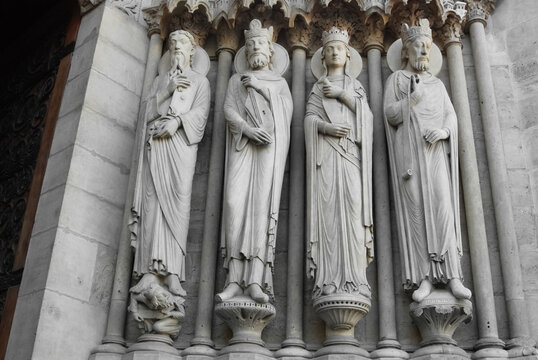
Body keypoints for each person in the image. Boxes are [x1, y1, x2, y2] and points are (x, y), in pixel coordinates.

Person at [383, 19, 471, 302]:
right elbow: (391, 115)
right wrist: (412, 98)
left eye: (427, 46)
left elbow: (451, 116)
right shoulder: (396, 80)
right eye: (417, 45)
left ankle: (453, 276)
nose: (423, 50)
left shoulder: (438, 84)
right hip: (409, 158)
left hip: (435, 157)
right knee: (417, 215)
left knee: (443, 208)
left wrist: (444, 132)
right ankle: (424, 277)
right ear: (405, 51)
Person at [129, 30, 210, 303]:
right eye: (173, 43)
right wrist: (167, 89)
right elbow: (147, 112)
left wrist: (177, 122)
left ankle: (172, 270)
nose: (176, 47)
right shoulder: (160, 81)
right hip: (157, 148)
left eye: (182, 44)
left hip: (181, 148)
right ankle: (150, 272)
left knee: (178, 206)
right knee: (152, 206)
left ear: (192, 51)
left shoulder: (200, 81)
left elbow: (201, 113)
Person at [217, 19, 292, 304]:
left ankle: (256, 279)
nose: (255, 48)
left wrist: (262, 88)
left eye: (260, 44)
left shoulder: (279, 83)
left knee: (261, 209)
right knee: (234, 205)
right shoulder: (237, 80)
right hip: (242, 146)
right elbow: (228, 108)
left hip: (268, 151)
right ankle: (234, 278)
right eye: (251, 45)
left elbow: (286, 113)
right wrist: (247, 129)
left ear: (270, 51)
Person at [304, 27, 374, 299]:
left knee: (354, 211)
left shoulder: (355, 87)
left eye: (339, 49)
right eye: (329, 49)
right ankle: (329, 278)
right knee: (329, 216)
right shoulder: (317, 87)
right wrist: (324, 127)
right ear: (322, 57)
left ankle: (355, 278)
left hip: (351, 157)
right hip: (327, 157)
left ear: (348, 55)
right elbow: (308, 119)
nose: (335, 52)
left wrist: (343, 96)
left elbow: (366, 121)